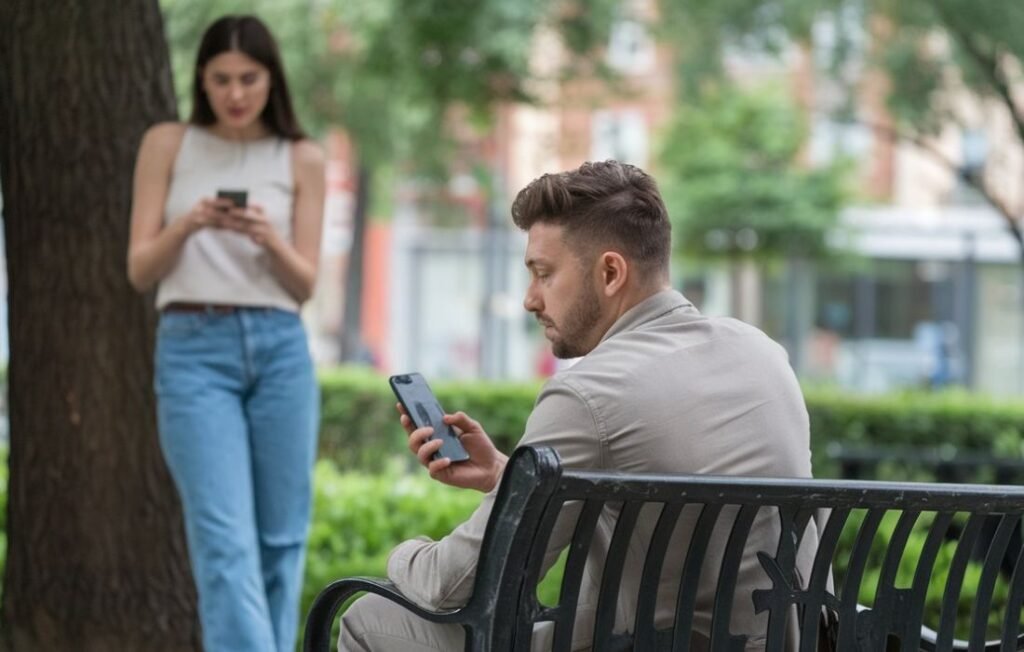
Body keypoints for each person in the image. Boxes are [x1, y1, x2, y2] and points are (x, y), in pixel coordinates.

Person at [339, 160, 818, 651]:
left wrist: (404, 554)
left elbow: (455, 587)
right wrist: (510, 477)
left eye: (543, 274)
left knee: (371, 616)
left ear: (610, 272)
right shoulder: (764, 354)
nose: (530, 299)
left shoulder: (589, 393)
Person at [126, 15, 325, 652]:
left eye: (249, 78)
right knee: (223, 543)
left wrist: (267, 238)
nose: (235, 93)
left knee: (280, 541)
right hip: (193, 351)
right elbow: (139, 270)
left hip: (280, 352)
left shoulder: (301, 157)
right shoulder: (168, 143)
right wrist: (188, 224)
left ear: (272, 80)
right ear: (202, 80)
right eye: (221, 79)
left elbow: (306, 284)